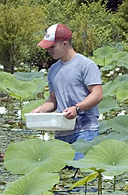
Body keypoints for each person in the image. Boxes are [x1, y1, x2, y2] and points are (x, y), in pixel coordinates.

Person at [31, 23, 103, 158]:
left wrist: (77, 108)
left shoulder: (86, 65)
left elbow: (97, 94)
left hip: (85, 131)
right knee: (62, 177)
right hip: (62, 131)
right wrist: (40, 110)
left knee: (82, 177)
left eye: (52, 46)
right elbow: (53, 100)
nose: (49, 50)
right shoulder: (53, 70)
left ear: (65, 44)